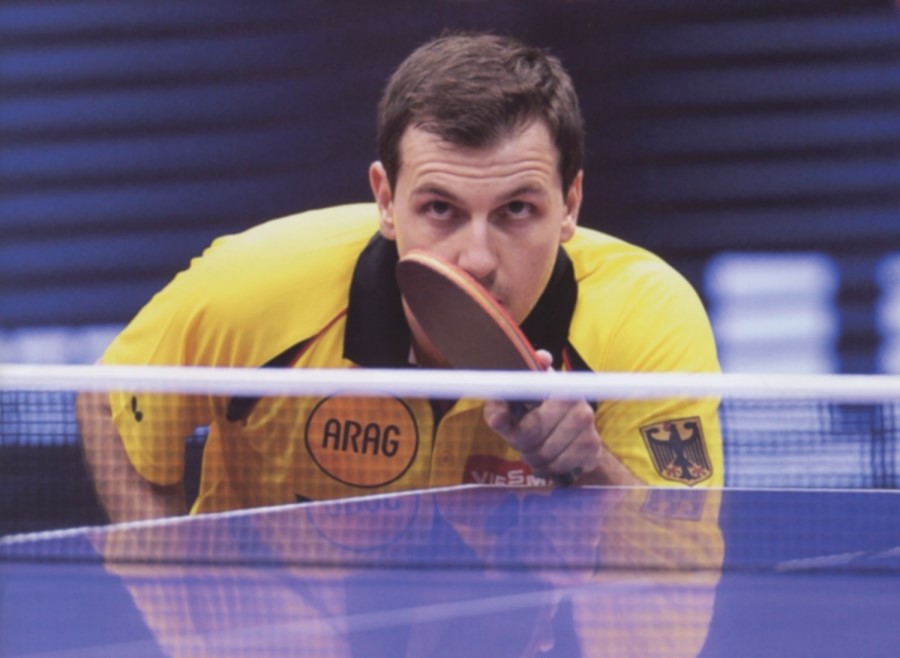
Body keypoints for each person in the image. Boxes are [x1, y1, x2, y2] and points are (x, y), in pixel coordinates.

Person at [76, 32, 723, 523]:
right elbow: (107, 402)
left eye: (516, 210)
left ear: (571, 204)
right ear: (385, 200)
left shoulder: (646, 319)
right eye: (440, 209)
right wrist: (170, 597)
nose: (477, 258)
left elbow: (683, 564)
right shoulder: (253, 288)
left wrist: (589, 468)